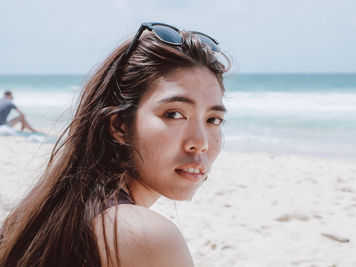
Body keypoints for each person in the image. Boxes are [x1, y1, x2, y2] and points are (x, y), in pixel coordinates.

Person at [0, 22, 230, 267]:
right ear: (120, 126)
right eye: (174, 114)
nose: (201, 143)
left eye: (213, 120)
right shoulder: (145, 235)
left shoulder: (54, 217)